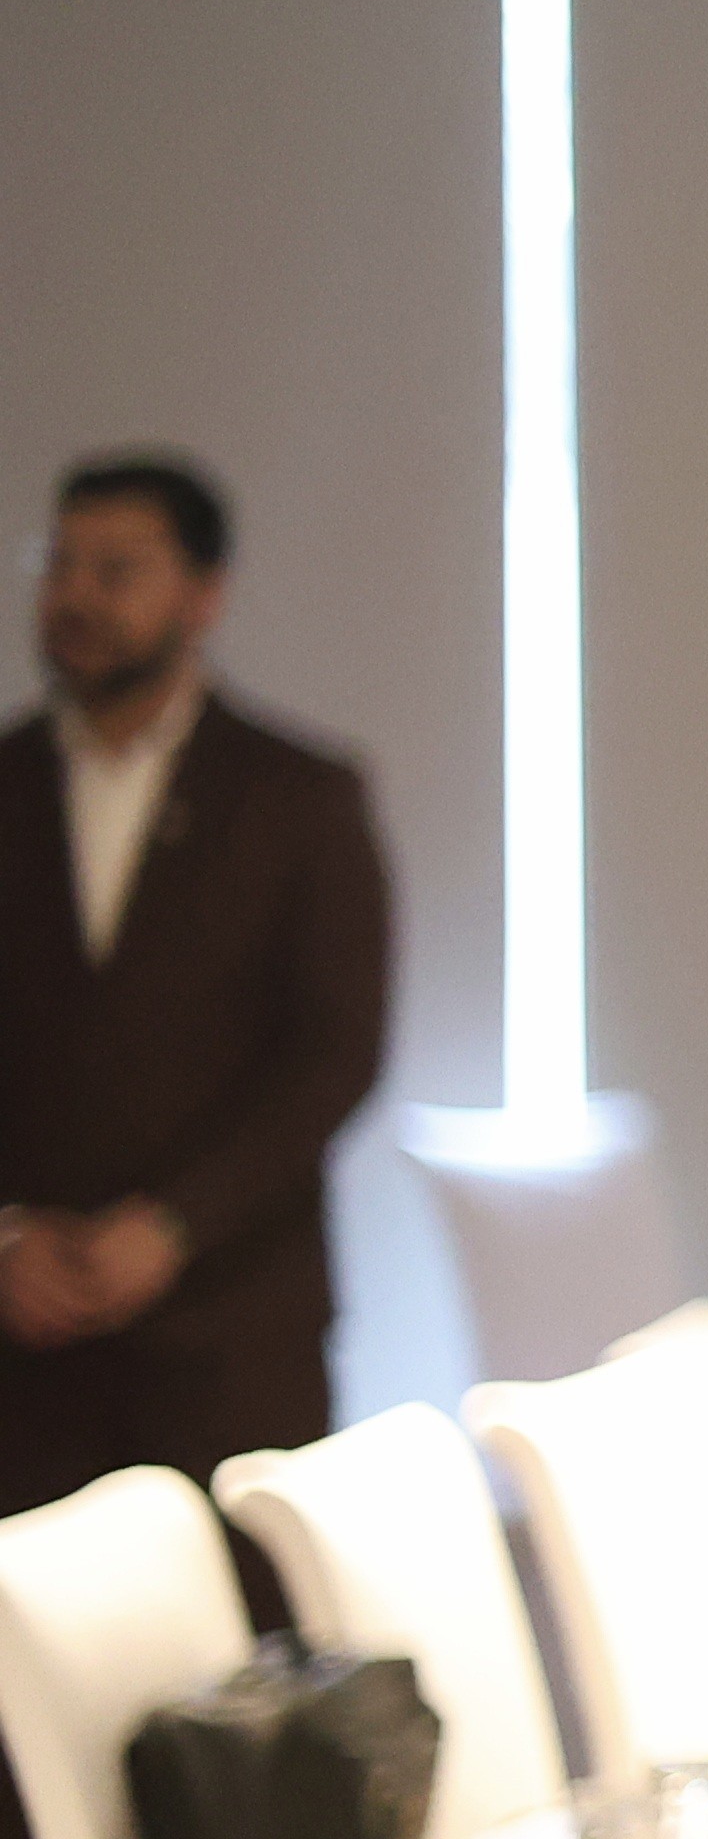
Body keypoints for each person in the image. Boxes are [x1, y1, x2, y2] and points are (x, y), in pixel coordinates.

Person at [0, 450, 396, 1519]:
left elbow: (334, 1052)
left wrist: (171, 1225)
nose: (77, 597)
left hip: (228, 1337)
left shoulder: (297, 797)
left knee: (242, 1665)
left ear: (202, 595)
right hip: (27, 1357)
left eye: (115, 569)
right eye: (61, 565)